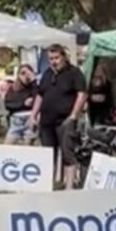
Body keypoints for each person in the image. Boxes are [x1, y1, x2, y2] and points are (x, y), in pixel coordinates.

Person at [30, 44, 86, 188]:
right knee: (48, 155)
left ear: (64, 57)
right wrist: (33, 115)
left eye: (56, 58)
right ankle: (49, 185)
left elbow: (82, 94)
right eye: (51, 59)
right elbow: (40, 95)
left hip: (65, 120)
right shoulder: (47, 74)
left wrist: (74, 115)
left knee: (68, 154)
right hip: (47, 121)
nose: (54, 61)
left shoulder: (74, 73)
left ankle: (69, 187)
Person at [3, 64, 39, 145]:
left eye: (28, 73)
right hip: (17, 119)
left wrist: (33, 81)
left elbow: (38, 98)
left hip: (30, 119)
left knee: (27, 146)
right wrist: (23, 103)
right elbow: (8, 104)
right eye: (23, 73)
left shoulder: (34, 87)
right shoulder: (13, 88)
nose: (25, 76)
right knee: (7, 145)